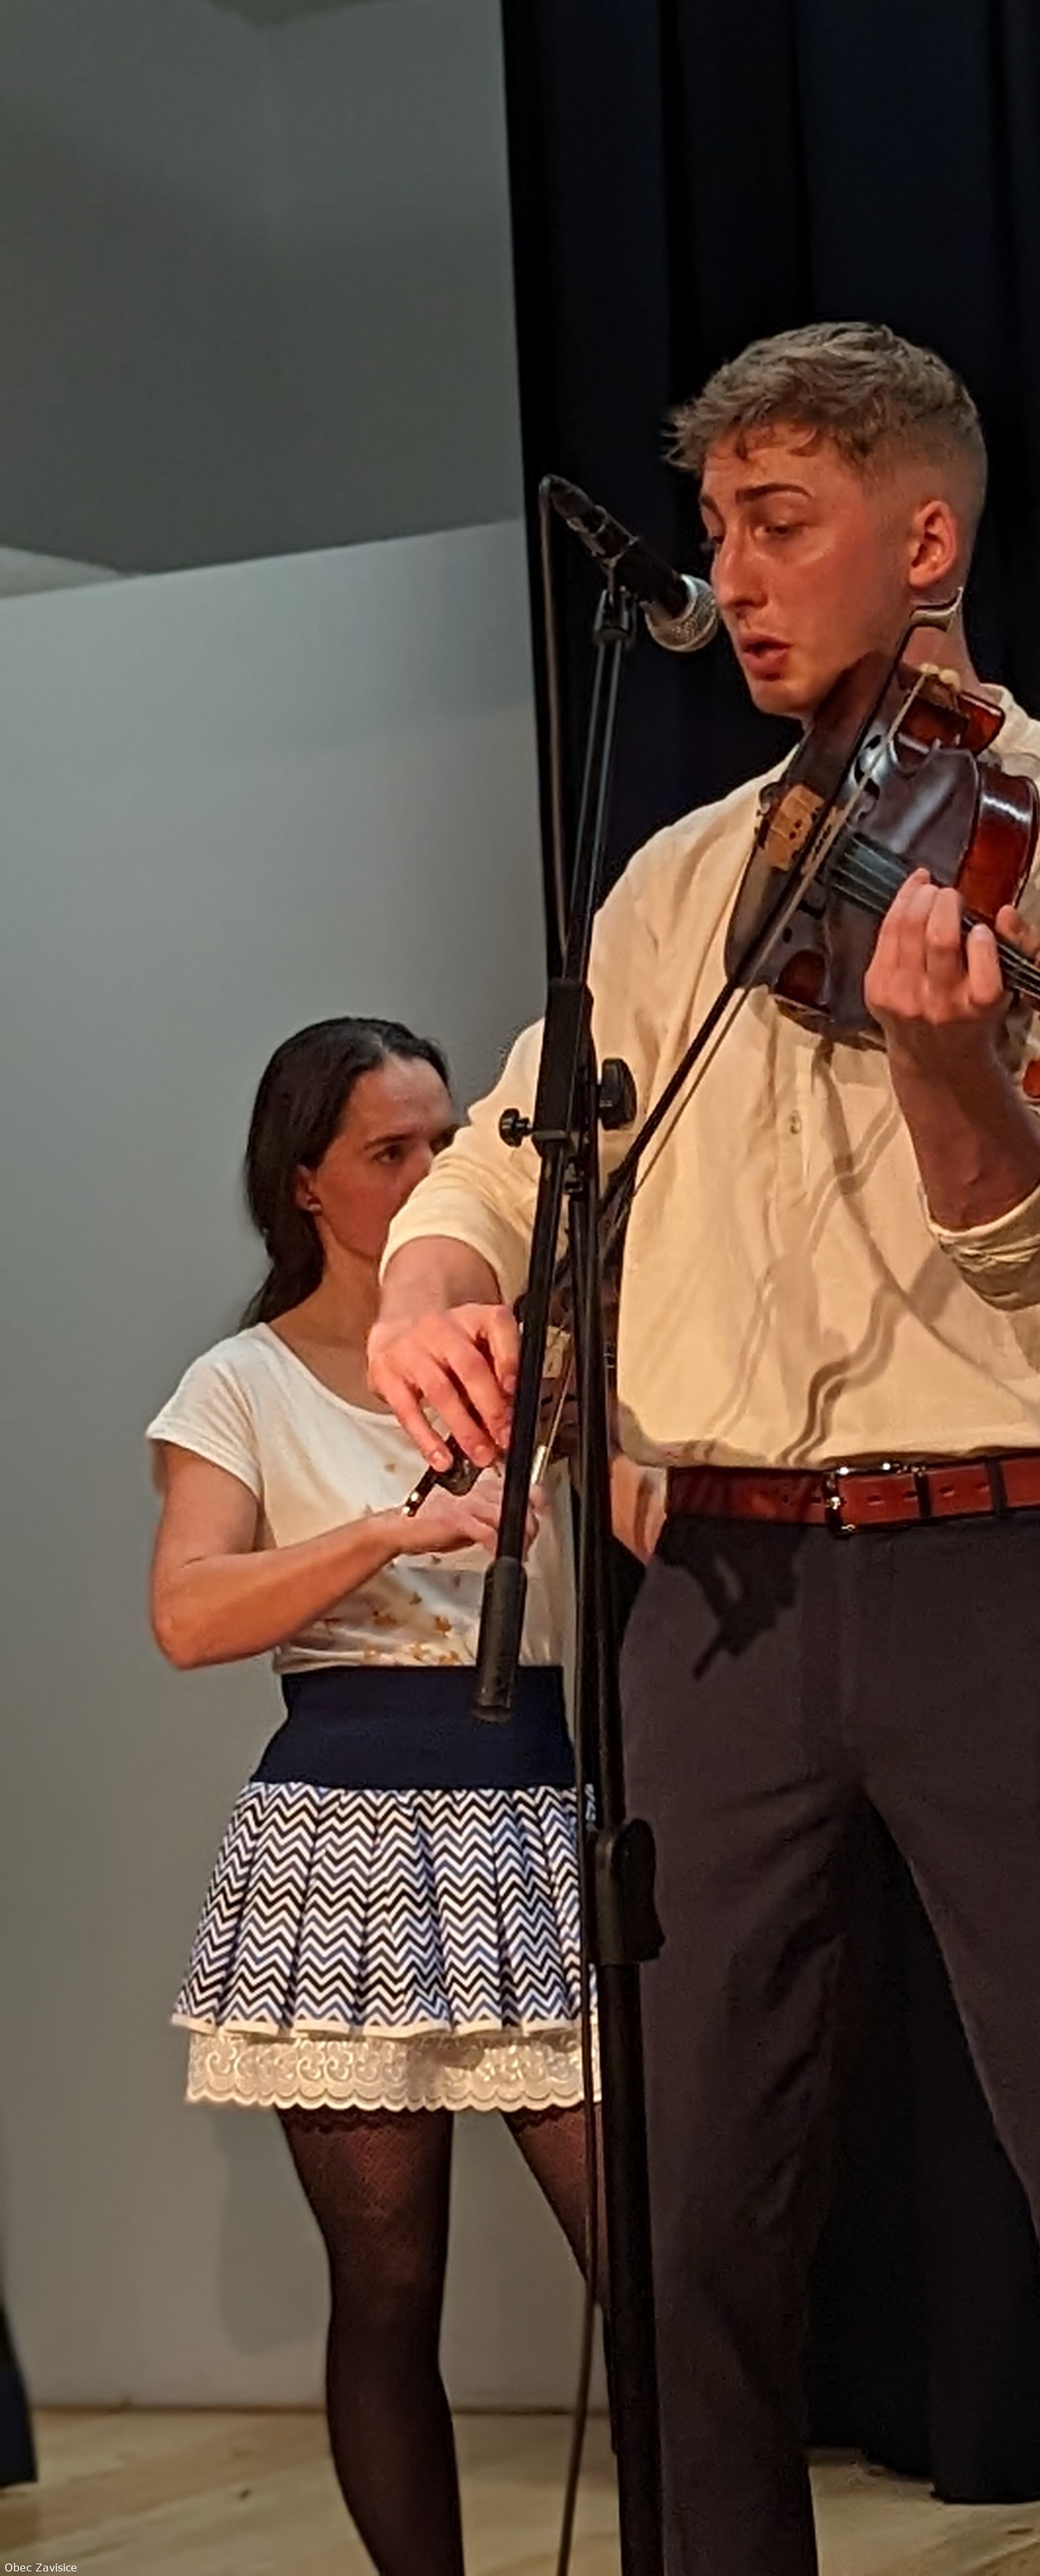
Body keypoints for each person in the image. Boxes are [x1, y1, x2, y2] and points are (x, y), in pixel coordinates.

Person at [366, 325, 1040, 2576]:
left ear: (925, 536)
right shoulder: (679, 879)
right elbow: (503, 1155)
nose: (732, 578)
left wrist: (948, 1067)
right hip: (718, 1601)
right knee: (686, 2219)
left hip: (1011, 1568)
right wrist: (432, 1284)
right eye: (713, 531)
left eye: (778, 525)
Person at [148, 1017, 600, 2576]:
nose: (425, 1176)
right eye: (387, 1152)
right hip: (341, 1840)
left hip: (532, 1814)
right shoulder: (242, 1383)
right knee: (390, 2291)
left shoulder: (526, 1360)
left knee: (658, 2264)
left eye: (444, 1144)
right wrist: (382, 1538)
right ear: (306, 1186)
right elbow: (187, 1613)